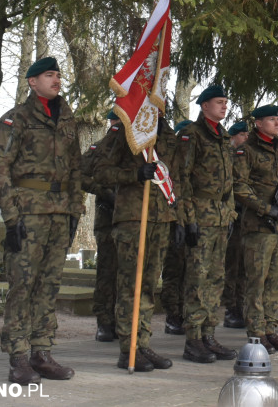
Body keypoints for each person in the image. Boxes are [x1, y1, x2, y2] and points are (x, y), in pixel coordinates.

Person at [0, 56, 85, 384]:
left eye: (58, 74)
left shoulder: (68, 118)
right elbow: (0, 168)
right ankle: (18, 356)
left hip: (60, 212)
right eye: (49, 75)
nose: (56, 79)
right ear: (32, 82)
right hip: (27, 212)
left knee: (49, 284)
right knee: (23, 284)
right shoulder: (15, 119)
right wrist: (11, 216)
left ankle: (41, 352)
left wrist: (75, 211)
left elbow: (76, 168)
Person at [91, 113, 181, 372]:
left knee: (150, 286)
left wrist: (177, 217)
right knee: (132, 286)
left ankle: (142, 344)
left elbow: (175, 177)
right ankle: (128, 349)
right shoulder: (125, 133)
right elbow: (100, 171)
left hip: (160, 218)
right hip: (132, 219)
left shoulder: (165, 134)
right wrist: (135, 174)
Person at [177, 85, 238, 363]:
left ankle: (209, 335)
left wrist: (231, 214)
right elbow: (183, 179)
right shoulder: (193, 135)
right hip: (200, 215)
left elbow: (230, 183)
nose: (224, 106)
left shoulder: (223, 136)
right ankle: (193, 339)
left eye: (226, 102)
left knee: (216, 278)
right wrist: (188, 219)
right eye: (218, 102)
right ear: (204, 106)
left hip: (220, 215)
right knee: (197, 279)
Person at [233, 104, 278, 354]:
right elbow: (239, 186)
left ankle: (271, 329)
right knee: (256, 282)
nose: (277, 122)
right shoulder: (245, 151)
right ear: (258, 123)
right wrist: (264, 208)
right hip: (258, 227)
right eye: (271, 119)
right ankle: (256, 332)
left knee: (276, 282)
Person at [79, 111, 120, 343]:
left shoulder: (137, 151)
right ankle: (105, 322)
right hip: (107, 219)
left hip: (131, 219)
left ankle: (125, 321)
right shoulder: (98, 149)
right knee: (107, 272)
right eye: (114, 122)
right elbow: (80, 176)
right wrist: (103, 191)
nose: (117, 126)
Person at [161, 118, 193, 336]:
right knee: (173, 271)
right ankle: (173, 315)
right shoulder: (169, 161)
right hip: (170, 219)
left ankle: (183, 312)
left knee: (187, 271)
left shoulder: (183, 162)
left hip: (188, 218)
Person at [222, 120, 249, 329]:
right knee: (232, 266)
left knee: (243, 267)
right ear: (233, 137)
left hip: (245, 218)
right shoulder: (229, 156)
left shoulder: (245, 157)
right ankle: (231, 308)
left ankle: (240, 306)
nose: (246, 138)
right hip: (230, 215)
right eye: (242, 135)